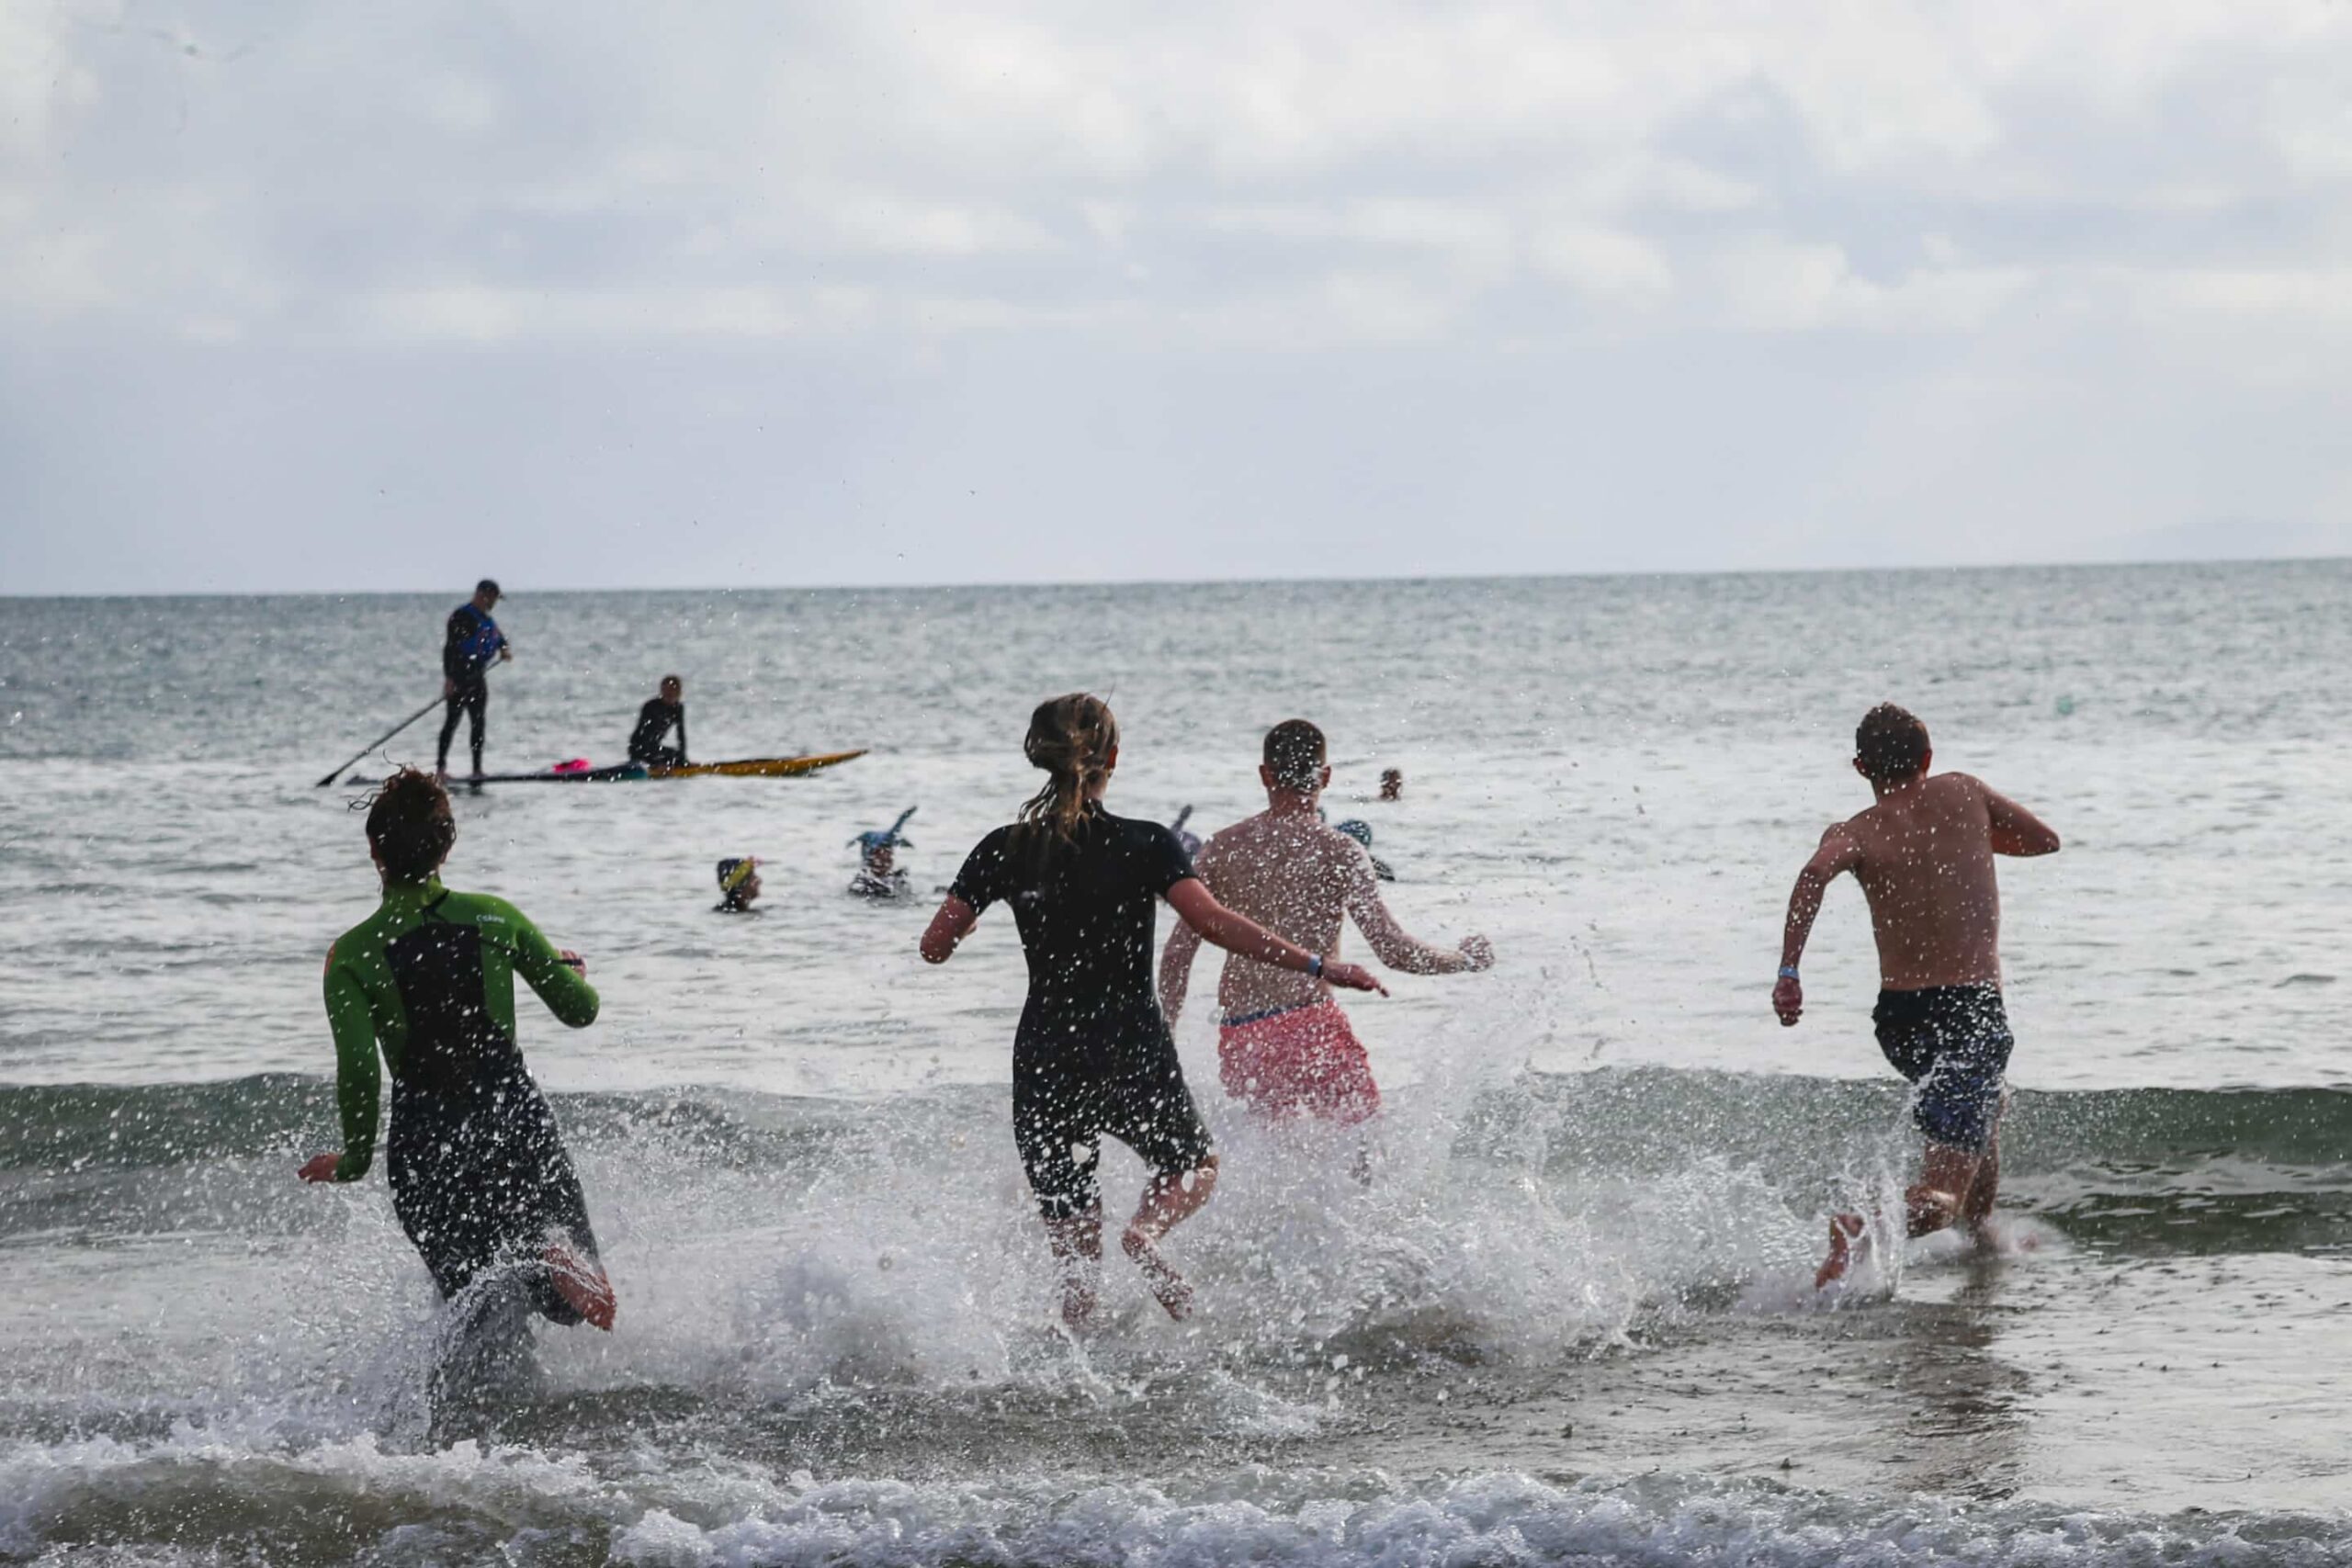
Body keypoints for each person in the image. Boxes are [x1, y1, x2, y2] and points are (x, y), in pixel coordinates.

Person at [920, 694, 1386, 1330]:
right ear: (1113, 758)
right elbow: (1212, 922)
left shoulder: (1002, 847)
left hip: (1047, 1054)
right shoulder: (1145, 842)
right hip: (1129, 1042)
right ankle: (1146, 1231)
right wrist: (1317, 964)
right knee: (1193, 1165)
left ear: (1040, 758)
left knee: (1074, 1249)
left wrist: (971, 924)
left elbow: (934, 945)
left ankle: (1077, 1357)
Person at [300, 768, 616, 1352]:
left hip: (426, 1138)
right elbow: (579, 1012)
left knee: (481, 1315)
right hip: (514, 1116)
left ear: (374, 852)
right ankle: (550, 1255)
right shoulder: (495, 917)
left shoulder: (351, 956)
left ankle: (488, 1410)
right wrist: (574, 975)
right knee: (575, 1306)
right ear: (447, 846)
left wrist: (354, 1158)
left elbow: (360, 1070)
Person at [1773, 704, 2062, 1289]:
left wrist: (1789, 971)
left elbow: (1812, 876)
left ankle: (1982, 1235)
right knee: (1942, 1192)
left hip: (1900, 1018)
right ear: (1929, 757)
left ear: (1861, 767)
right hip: (1968, 1009)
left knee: (1985, 1111)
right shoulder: (1963, 792)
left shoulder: (1852, 832)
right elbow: (2044, 841)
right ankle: (1864, 1230)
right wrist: (1969, 839)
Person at [1159, 720, 1491, 1127]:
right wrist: (1465, 959)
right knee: (1363, 1151)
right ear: (1326, 776)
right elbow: (1394, 951)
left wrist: (1166, 1039)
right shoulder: (1341, 851)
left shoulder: (1222, 847)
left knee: (1265, 1154)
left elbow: (1176, 955)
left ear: (1265, 774)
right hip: (1311, 1027)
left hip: (1243, 1036)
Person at [437, 580, 510, 780]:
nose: (494, 602)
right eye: (493, 597)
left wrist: (504, 649)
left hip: (477, 677)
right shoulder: (462, 617)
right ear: (482, 595)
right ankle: (441, 768)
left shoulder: (487, 619)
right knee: (452, 722)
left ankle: (477, 770)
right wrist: (449, 679)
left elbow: (500, 638)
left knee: (478, 724)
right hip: (459, 677)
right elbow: (450, 649)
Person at [850, 808, 917, 899]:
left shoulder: (898, 880)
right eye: (879, 853)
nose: (886, 858)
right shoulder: (860, 885)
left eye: (889, 854)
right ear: (869, 858)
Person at [628, 676, 689, 769]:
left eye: (672, 691)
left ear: (678, 693)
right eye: (665, 691)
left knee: (677, 756)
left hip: (654, 748)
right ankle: (646, 764)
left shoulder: (678, 708)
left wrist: (683, 757)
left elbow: (680, 734)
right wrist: (655, 762)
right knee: (665, 757)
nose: (668, 694)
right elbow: (642, 734)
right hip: (639, 748)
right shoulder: (651, 706)